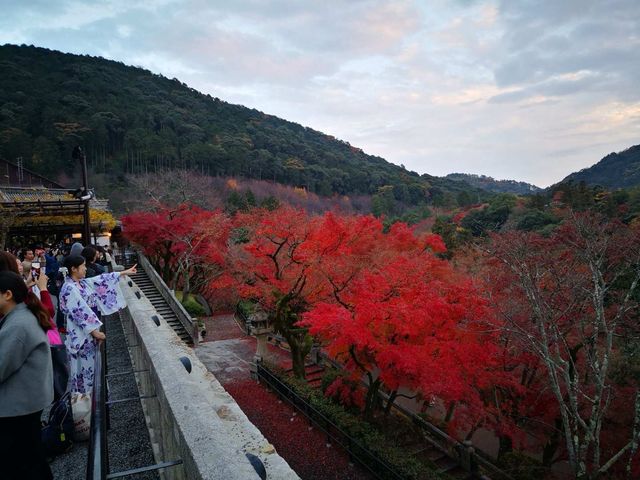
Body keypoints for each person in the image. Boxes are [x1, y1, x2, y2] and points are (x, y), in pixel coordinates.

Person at [0, 271, 54, 480]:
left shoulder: (18, 325)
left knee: (21, 463)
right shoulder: (22, 317)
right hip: (26, 403)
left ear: (7, 295)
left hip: (17, 407)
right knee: (31, 458)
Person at [59, 255, 136, 394]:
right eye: (83, 266)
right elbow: (80, 312)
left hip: (87, 334)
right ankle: (84, 407)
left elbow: (101, 280)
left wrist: (123, 273)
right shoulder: (69, 288)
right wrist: (95, 332)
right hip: (82, 336)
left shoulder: (80, 283)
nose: (85, 268)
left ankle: (91, 404)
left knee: (92, 371)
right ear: (74, 269)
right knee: (84, 372)